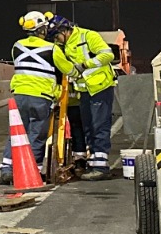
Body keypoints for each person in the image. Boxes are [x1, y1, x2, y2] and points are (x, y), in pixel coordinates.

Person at [50, 15, 117, 181]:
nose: (56, 39)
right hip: (85, 90)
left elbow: (107, 55)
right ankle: (93, 163)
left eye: (56, 35)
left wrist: (86, 64)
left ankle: (101, 167)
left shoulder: (88, 36)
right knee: (89, 127)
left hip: (101, 86)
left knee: (99, 126)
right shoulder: (62, 45)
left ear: (65, 30)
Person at [2, 11, 60, 186]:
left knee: (17, 133)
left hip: (19, 95)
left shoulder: (16, 46)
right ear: (41, 29)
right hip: (41, 97)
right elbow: (66, 68)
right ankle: (31, 170)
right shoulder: (52, 49)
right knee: (37, 135)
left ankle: (7, 169)